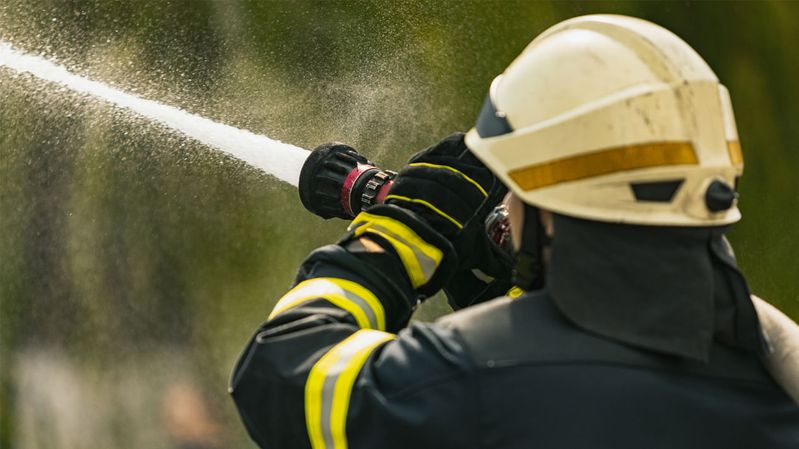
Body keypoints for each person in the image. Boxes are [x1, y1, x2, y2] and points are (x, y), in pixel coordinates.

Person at [229, 15, 799, 449]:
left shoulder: (479, 373)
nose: (504, 207)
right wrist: (525, 295)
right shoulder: (767, 377)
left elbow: (279, 375)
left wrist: (399, 236)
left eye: (515, 184)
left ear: (554, 206)